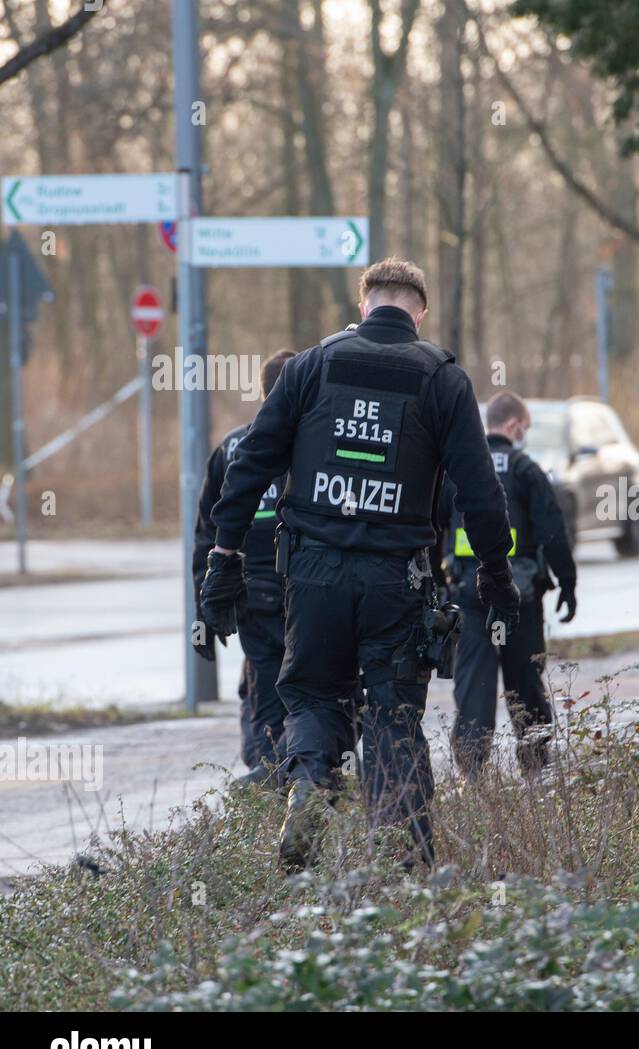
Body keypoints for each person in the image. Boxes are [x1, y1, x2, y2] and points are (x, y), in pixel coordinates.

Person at [198, 258, 519, 870]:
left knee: (315, 697)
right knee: (392, 712)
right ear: (419, 312)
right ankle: (405, 861)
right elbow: (479, 492)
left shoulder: (311, 366)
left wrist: (224, 557)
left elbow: (250, 465)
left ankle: (311, 787)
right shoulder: (443, 379)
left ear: (364, 302)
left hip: (312, 576)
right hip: (395, 580)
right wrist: (496, 573)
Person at [441, 391, 577, 776]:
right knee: (525, 685)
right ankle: (536, 769)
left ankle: (472, 774)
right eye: (526, 429)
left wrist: (436, 586)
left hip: (468, 596)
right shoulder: (526, 470)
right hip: (519, 600)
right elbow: (553, 533)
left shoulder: (458, 469)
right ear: (515, 426)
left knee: (473, 688)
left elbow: (433, 528)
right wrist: (567, 583)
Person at [193, 348, 296, 788]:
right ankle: (303, 787)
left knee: (266, 696)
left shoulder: (231, 448)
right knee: (318, 695)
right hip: (306, 595)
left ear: (261, 391)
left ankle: (269, 786)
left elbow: (206, 535)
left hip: (250, 597)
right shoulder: (313, 440)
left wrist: (207, 603)